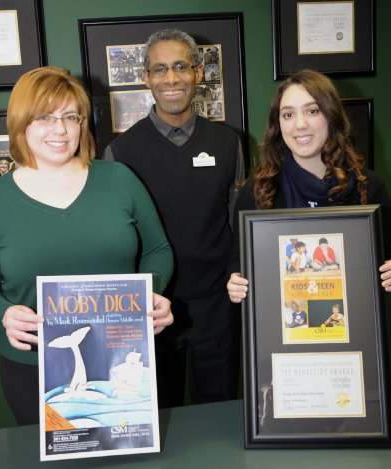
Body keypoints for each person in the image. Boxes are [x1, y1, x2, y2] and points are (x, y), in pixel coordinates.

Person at [0, 66, 174, 426]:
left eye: (70, 117)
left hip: (122, 362)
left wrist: (149, 293)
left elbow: (158, 250)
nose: (60, 129)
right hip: (32, 367)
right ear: (21, 124)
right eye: (44, 117)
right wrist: (4, 315)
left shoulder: (119, 179)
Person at [104, 29, 244, 408]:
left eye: (181, 66)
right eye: (160, 69)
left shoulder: (229, 144)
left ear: (198, 73)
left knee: (218, 415)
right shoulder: (120, 152)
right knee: (156, 421)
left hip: (217, 307)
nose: (171, 78)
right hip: (151, 309)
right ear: (147, 78)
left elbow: (238, 224)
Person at [227, 69, 391, 303]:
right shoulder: (259, 187)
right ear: (278, 124)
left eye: (312, 111)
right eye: (288, 115)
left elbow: (385, 256)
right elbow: (238, 257)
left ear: (332, 116)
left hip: (352, 327)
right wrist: (235, 280)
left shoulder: (369, 186)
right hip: (282, 328)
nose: (300, 125)